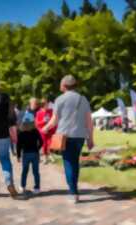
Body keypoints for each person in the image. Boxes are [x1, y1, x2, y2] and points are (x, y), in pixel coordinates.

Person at [42, 75, 94, 203]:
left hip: (65, 136)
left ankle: (73, 192)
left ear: (64, 86)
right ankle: (74, 189)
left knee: (68, 163)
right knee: (74, 162)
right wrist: (90, 138)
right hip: (80, 136)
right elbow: (89, 121)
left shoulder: (59, 99)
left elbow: (54, 120)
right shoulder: (83, 99)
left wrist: (45, 128)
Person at [17, 115, 43, 194]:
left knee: (25, 171)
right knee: (36, 171)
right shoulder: (35, 131)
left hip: (26, 154)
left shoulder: (21, 133)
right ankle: (37, 188)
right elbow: (41, 142)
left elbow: (19, 146)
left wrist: (18, 156)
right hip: (35, 153)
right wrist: (37, 148)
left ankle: (22, 186)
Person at [35, 98, 56, 164]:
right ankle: (45, 158)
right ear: (43, 105)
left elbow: (54, 120)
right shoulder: (38, 113)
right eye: (46, 104)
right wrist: (43, 121)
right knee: (44, 144)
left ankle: (50, 155)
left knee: (50, 144)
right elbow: (37, 124)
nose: (48, 105)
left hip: (50, 130)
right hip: (42, 131)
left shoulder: (51, 111)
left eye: (48, 104)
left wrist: (53, 128)